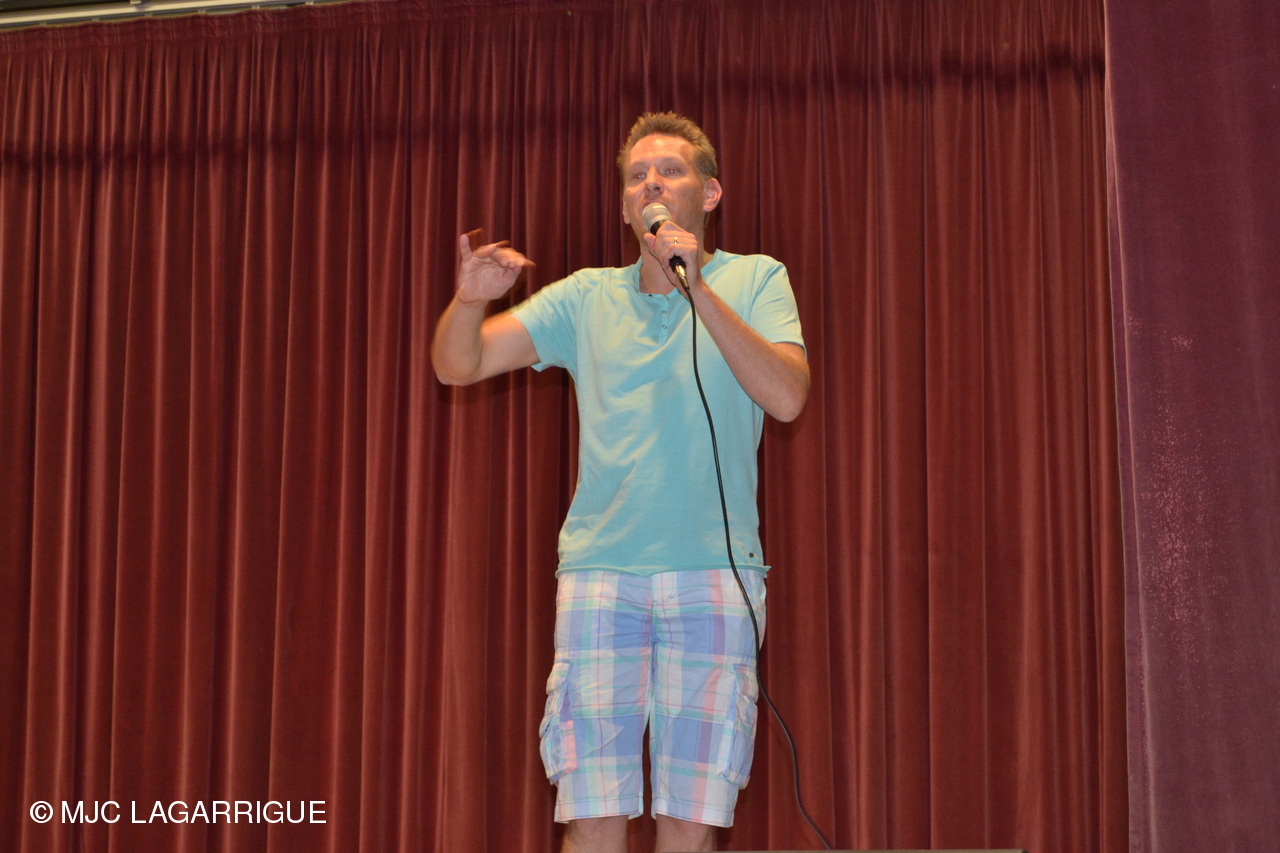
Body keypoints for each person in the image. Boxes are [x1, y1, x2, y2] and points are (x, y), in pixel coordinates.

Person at [431, 112, 809, 853]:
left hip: (714, 576)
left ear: (710, 192)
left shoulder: (758, 279)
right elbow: (458, 364)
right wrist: (471, 300)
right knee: (593, 815)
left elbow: (788, 396)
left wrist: (698, 287)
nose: (650, 185)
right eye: (636, 177)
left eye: (668, 171)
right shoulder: (585, 297)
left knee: (690, 819)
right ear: (624, 207)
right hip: (601, 574)